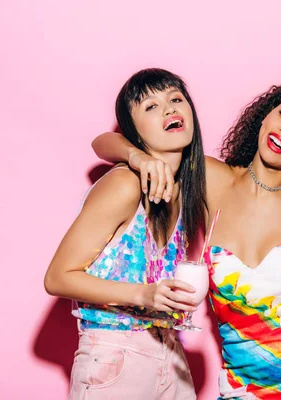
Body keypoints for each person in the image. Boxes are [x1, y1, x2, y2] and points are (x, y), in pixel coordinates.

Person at [93, 77, 281, 399]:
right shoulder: (211, 178)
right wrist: (139, 158)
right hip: (244, 385)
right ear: (266, 116)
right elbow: (102, 143)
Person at [44, 68, 207, 399]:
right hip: (114, 357)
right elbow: (57, 278)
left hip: (171, 355)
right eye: (151, 106)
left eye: (176, 99)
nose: (170, 108)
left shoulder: (182, 192)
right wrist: (144, 295)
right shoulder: (125, 184)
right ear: (134, 131)